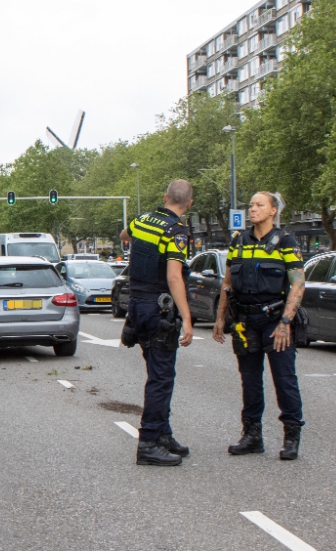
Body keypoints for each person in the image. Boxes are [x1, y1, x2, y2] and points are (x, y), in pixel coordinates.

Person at [213, 192, 305, 460]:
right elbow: (228, 283)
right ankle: (252, 435)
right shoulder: (238, 242)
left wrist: (286, 321)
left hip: (275, 321)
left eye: (259, 205)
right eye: (251, 205)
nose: (252, 209)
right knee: (250, 381)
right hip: (244, 322)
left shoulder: (285, 242)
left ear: (273, 210)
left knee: (285, 380)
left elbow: (298, 284)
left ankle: (291, 436)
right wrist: (221, 317)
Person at [119, 179, 195, 466]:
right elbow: (174, 276)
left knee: (156, 371)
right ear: (189, 204)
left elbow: (125, 234)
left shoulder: (143, 221)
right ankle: (149, 442)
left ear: (165, 197)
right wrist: (187, 318)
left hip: (137, 305)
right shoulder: (175, 231)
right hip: (158, 307)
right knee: (161, 378)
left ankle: (163, 433)